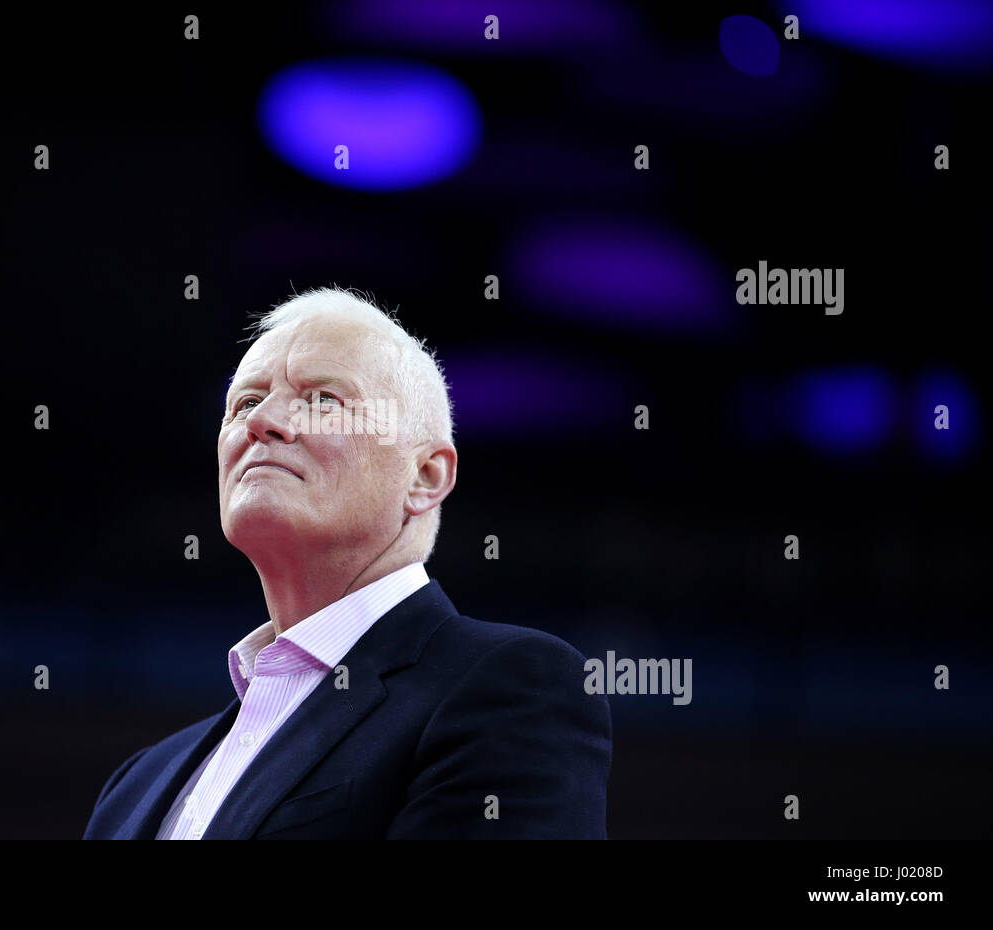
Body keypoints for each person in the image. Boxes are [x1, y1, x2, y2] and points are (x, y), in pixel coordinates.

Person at [83, 286, 611, 839]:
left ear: (425, 476)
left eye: (322, 401)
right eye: (244, 403)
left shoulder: (511, 689)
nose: (264, 422)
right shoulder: (135, 786)